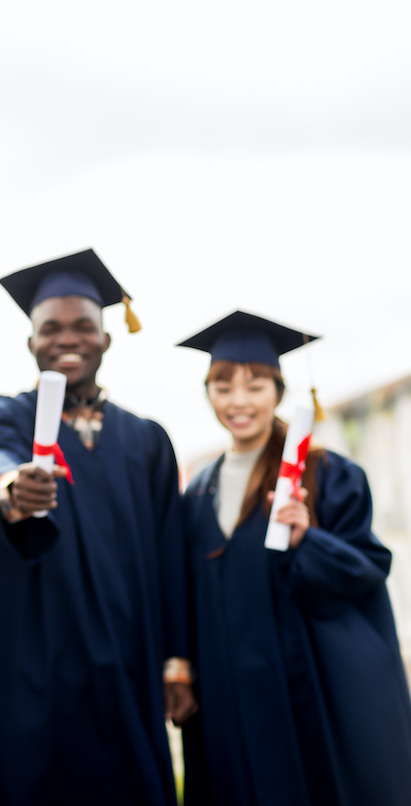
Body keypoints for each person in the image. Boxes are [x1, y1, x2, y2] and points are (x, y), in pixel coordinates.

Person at [0, 249, 192, 806]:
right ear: (30, 342)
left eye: (84, 327)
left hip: (126, 658)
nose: (68, 339)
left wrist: (175, 660)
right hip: (34, 662)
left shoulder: (146, 439)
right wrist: (10, 487)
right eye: (51, 329)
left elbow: (170, 553)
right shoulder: (8, 416)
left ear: (107, 338)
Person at [176, 310, 411, 806]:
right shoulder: (198, 490)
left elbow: (367, 566)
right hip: (230, 691)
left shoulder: (325, 473)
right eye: (223, 386)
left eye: (255, 385)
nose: (238, 401)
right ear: (209, 394)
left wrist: (308, 537)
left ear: (279, 392)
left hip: (305, 687)